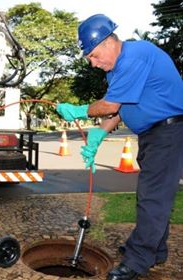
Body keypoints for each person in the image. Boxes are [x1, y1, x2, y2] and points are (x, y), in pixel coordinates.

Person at [56, 14, 183, 280]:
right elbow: (120, 109)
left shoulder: (134, 56)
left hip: (169, 132)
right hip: (154, 135)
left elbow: (111, 105)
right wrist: (99, 134)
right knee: (152, 197)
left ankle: (137, 260)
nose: (93, 63)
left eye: (92, 55)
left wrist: (80, 110)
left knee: (153, 198)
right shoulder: (118, 69)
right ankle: (155, 250)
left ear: (108, 42)